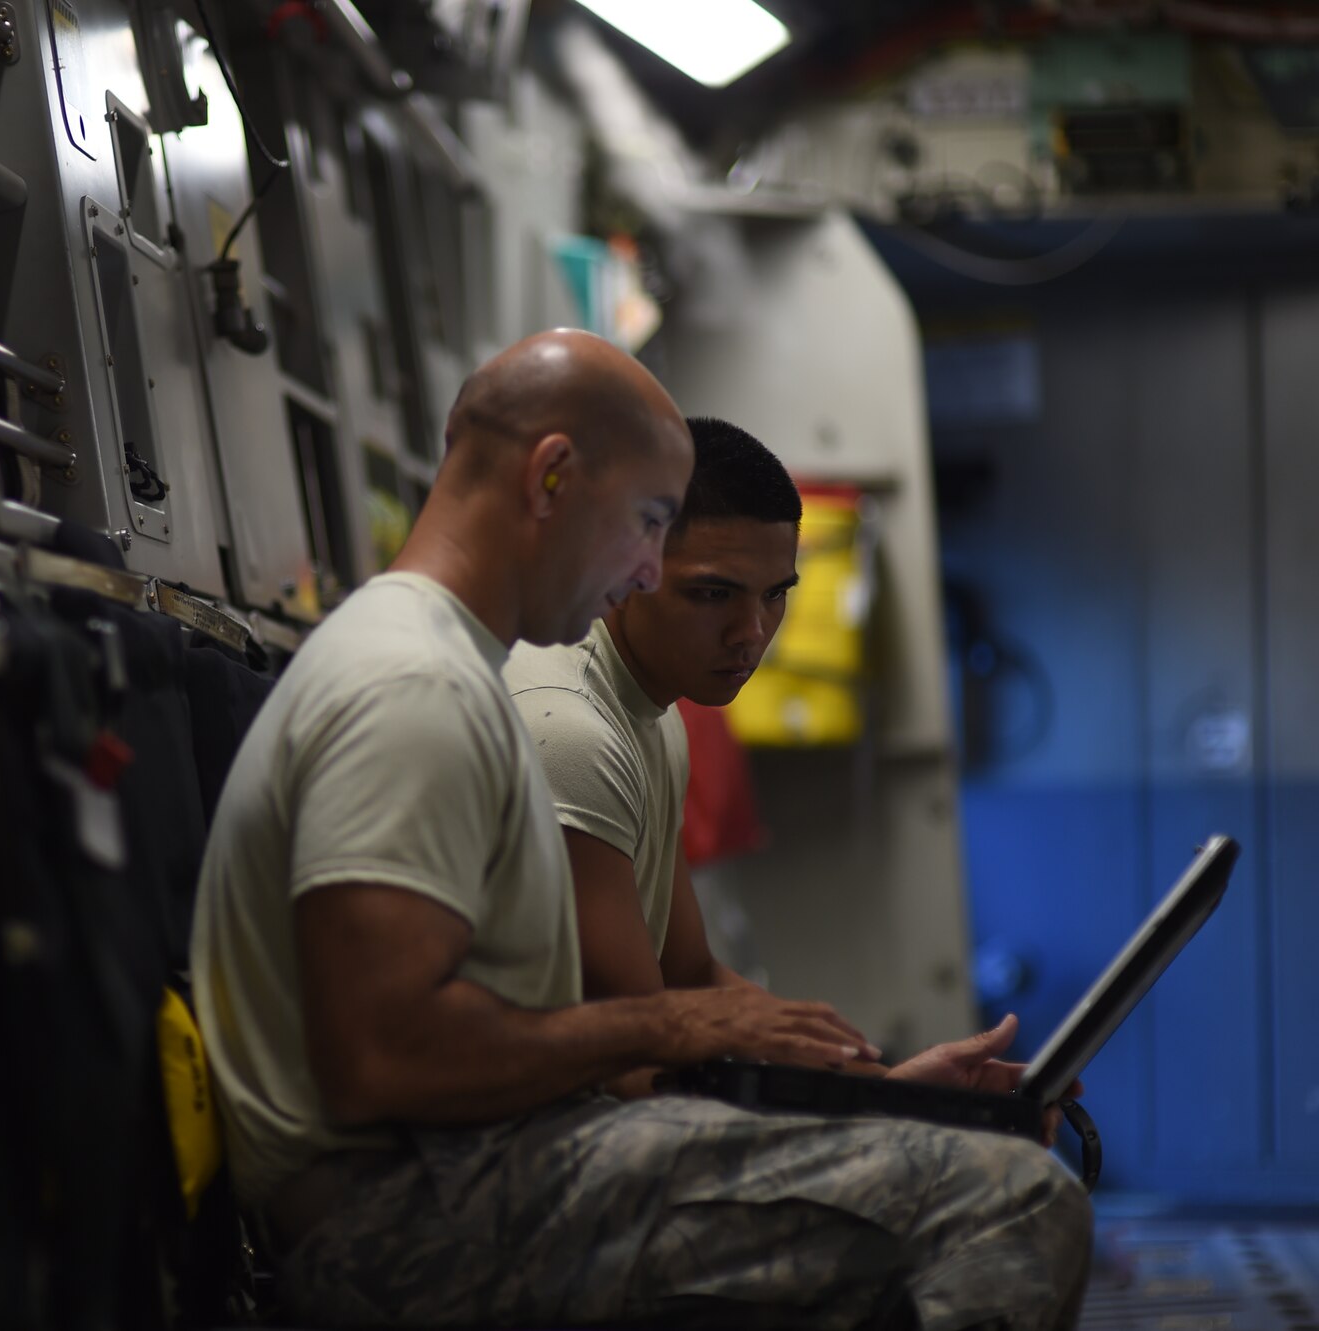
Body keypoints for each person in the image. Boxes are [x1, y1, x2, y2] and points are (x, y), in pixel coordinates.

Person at [189, 338, 1091, 1328]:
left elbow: (681, 987)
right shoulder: (415, 687)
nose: (647, 568)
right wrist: (669, 1022)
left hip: (469, 1170)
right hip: (396, 1215)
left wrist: (890, 1096)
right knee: (1008, 1200)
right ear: (551, 478)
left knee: (958, 1174)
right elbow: (380, 1055)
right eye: (650, 522)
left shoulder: (444, 668)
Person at [505, 417, 1058, 1095]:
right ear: (629, 564)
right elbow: (634, 1060)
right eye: (713, 594)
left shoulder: (655, 715)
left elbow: (691, 976)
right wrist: (874, 1117)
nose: (752, 634)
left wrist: (895, 1087)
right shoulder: (568, 728)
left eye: (776, 596)